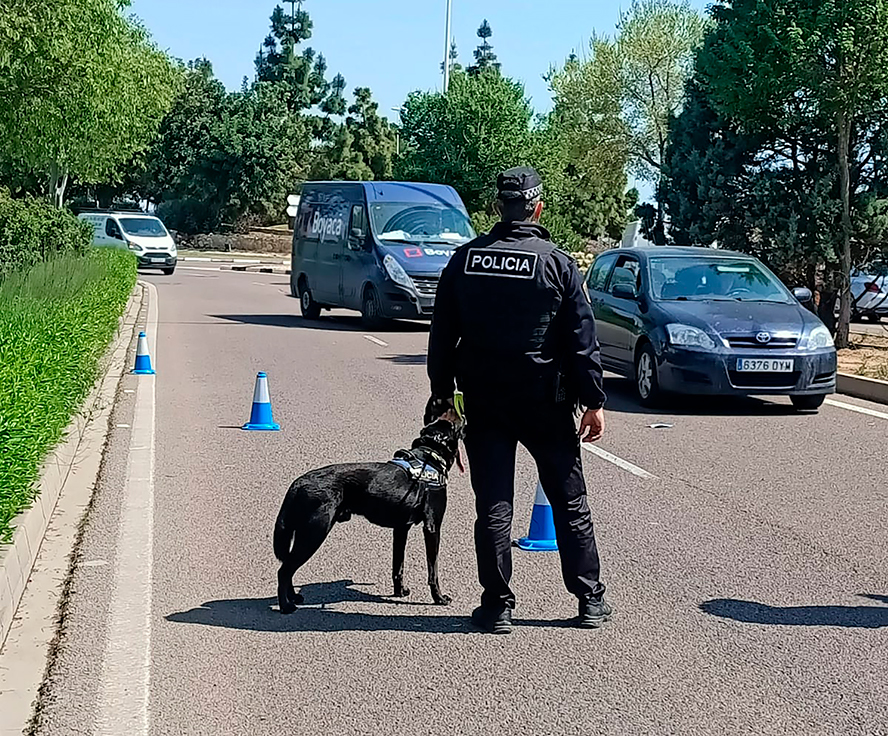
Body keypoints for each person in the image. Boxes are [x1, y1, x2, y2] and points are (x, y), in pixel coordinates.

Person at [425, 166, 611, 635]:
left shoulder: (465, 260)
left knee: (493, 504)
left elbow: (442, 334)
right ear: (538, 207)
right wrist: (592, 400)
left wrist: (442, 395)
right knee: (570, 502)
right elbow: (581, 340)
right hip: (545, 402)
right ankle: (589, 601)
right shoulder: (558, 264)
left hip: (485, 401)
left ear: (497, 208)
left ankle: (497, 606)